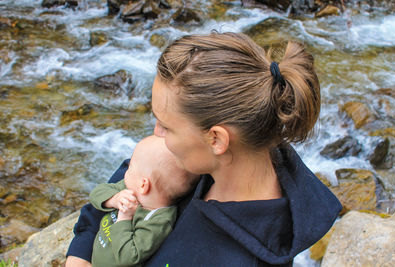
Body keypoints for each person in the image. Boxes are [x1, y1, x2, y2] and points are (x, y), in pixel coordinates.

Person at [66, 32, 342, 267]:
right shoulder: (204, 158)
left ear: (217, 140)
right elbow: (121, 186)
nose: (156, 134)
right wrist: (79, 256)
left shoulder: (238, 256)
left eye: (166, 126)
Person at [88, 135, 198, 267]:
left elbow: (128, 257)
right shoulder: (128, 190)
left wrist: (124, 218)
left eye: (130, 168)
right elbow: (95, 194)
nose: (125, 172)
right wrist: (114, 199)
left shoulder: (158, 222)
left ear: (143, 185)